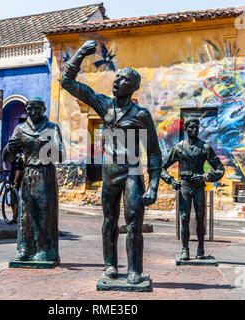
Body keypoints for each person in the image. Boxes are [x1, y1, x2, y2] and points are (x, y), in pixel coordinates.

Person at [61, 40, 162, 284]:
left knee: (134, 222)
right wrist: (81, 53)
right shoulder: (103, 104)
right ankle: (111, 267)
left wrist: (153, 186)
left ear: (134, 86)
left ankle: (135, 270)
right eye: (116, 78)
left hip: (133, 172)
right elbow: (67, 83)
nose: (116, 82)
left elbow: (154, 152)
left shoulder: (141, 115)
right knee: (108, 222)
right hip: (110, 172)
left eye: (123, 79)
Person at [3, 97, 65, 264]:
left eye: (37, 108)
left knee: (43, 213)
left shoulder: (52, 128)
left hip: (45, 174)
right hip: (28, 173)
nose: (33, 112)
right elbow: (7, 156)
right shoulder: (20, 129)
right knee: (25, 212)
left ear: (43, 110)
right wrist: (10, 147)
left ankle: (44, 249)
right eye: (30, 108)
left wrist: (51, 145)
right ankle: (25, 248)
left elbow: (61, 155)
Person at [161, 118, 225, 261]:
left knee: (200, 218)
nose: (194, 130)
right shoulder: (179, 148)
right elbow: (161, 167)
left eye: (196, 127)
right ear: (186, 129)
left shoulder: (205, 148)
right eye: (191, 127)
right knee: (184, 218)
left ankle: (200, 248)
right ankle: (185, 249)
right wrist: (171, 180)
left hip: (199, 188)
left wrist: (205, 176)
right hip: (184, 187)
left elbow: (220, 169)